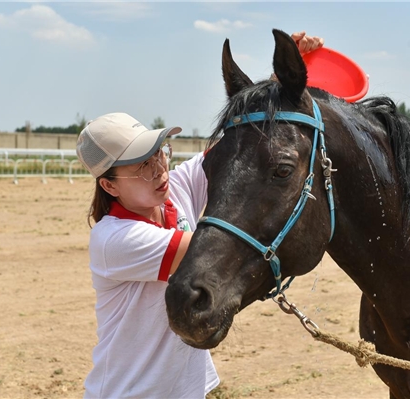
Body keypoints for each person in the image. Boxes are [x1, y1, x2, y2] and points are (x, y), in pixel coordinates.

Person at [77, 31, 324, 399]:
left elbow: (247, 147)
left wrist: (280, 84)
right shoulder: (114, 240)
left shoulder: (173, 190)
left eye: (160, 154)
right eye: (142, 166)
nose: (160, 170)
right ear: (109, 186)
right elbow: (224, 241)